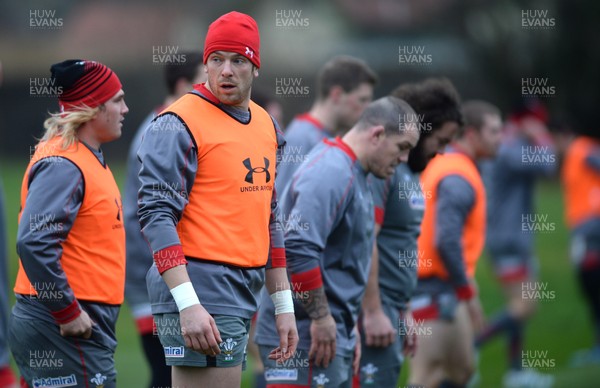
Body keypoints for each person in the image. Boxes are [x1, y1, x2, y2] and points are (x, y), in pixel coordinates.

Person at [137, 12, 298, 388]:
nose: (226, 71)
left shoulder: (266, 124)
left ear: (255, 67)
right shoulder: (177, 123)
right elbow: (156, 216)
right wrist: (187, 303)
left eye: (238, 60)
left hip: (241, 288)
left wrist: (283, 306)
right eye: (216, 59)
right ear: (205, 63)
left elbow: (269, 218)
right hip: (200, 285)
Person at [255, 96, 420, 388]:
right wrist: (321, 319)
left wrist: (345, 328)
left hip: (330, 334)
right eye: (402, 147)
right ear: (377, 134)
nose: (404, 159)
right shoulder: (331, 171)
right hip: (305, 337)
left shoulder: (356, 171)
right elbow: (297, 250)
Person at [9, 59, 128, 388]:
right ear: (92, 108)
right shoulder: (65, 164)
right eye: (117, 100)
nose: (125, 109)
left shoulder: (84, 157)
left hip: (70, 322)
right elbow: (33, 242)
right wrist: (67, 312)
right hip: (61, 324)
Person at [357, 78, 463, 387]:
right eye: (441, 141)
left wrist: (404, 308)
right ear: (423, 129)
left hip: (394, 308)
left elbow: (403, 241)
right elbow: (365, 240)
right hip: (373, 312)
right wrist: (374, 309)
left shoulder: (411, 173)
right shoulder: (385, 169)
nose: (442, 152)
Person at [123, 51, 204, 388]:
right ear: (184, 85)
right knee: (166, 376)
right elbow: (151, 215)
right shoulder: (162, 131)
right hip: (155, 279)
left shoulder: (177, 126)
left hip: (166, 275)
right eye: (205, 77)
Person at [409, 100, 503, 388]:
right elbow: (446, 240)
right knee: (428, 375)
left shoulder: (447, 165)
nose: (501, 137)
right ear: (472, 135)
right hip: (436, 288)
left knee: (461, 370)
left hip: (440, 285)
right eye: (495, 131)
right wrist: (466, 290)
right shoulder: (459, 175)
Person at [476, 100, 555, 388]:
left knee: (521, 307)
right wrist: (542, 138)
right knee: (523, 306)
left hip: (513, 238)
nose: (540, 127)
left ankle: (516, 371)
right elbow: (548, 165)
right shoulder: (510, 148)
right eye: (536, 122)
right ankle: (470, 345)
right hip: (507, 239)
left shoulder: (508, 144)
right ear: (523, 122)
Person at [275, 55, 377, 194]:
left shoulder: (327, 135)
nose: (368, 109)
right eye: (362, 100)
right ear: (337, 94)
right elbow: (283, 199)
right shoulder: (302, 138)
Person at [562, 131, 600, 366]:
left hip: (590, 229)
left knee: (592, 284)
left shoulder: (580, 149)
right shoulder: (577, 152)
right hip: (585, 227)